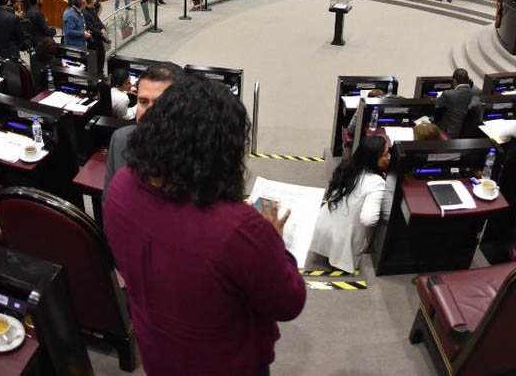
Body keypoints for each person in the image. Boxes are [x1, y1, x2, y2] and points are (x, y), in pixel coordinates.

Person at [104, 75, 306, 375]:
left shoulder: (120, 187)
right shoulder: (239, 229)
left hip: (156, 350)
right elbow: (289, 301)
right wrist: (273, 239)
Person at [102, 62, 184, 198]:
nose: (149, 112)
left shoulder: (197, 152)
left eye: (160, 104)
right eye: (143, 102)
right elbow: (109, 199)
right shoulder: (120, 139)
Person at [310, 136, 391, 273]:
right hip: (344, 241)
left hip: (323, 227)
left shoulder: (347, 166)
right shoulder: (376, 183)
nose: (390, 157)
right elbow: (369, 219)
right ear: (373, 159)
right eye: (385, 154)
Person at [435, 68, 479, 136]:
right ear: (468, 80)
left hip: (451, 135)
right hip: (471, 135)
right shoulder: (478, 93)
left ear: (454, 81)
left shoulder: (448, 94)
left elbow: (436, 106)